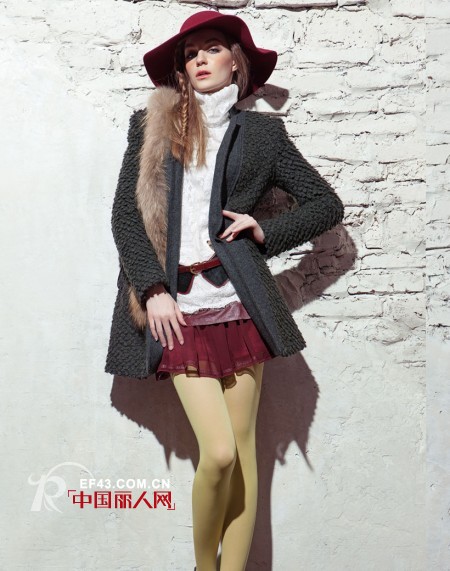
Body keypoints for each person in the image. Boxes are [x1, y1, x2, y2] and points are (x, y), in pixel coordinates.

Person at [105, 10, 345, 571]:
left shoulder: (263, 134)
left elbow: (325, 205)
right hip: (177, 307)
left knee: (242, 454)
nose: (201, 60)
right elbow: (126, 215)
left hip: (239, 304)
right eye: (191, 54)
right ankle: (203, 567)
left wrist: (266, 232)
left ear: (236, 62)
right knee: (216, 453)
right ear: (181, 70)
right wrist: (153, 288)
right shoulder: (151, 127)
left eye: (212, 49)